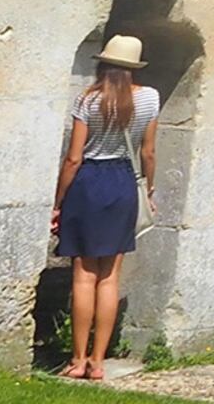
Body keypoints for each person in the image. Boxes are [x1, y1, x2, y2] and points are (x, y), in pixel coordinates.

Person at [50, 35, 158, 380]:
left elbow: (73, 158)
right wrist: (148, 188)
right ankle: (98, 362)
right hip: (123, 181)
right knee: (110, 276)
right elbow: (148, 152)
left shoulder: (88, 100)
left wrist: (59, 201)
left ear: (104, 64)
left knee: (84, 275)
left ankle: (77, 359)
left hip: (89, 182)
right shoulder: (149, 98)